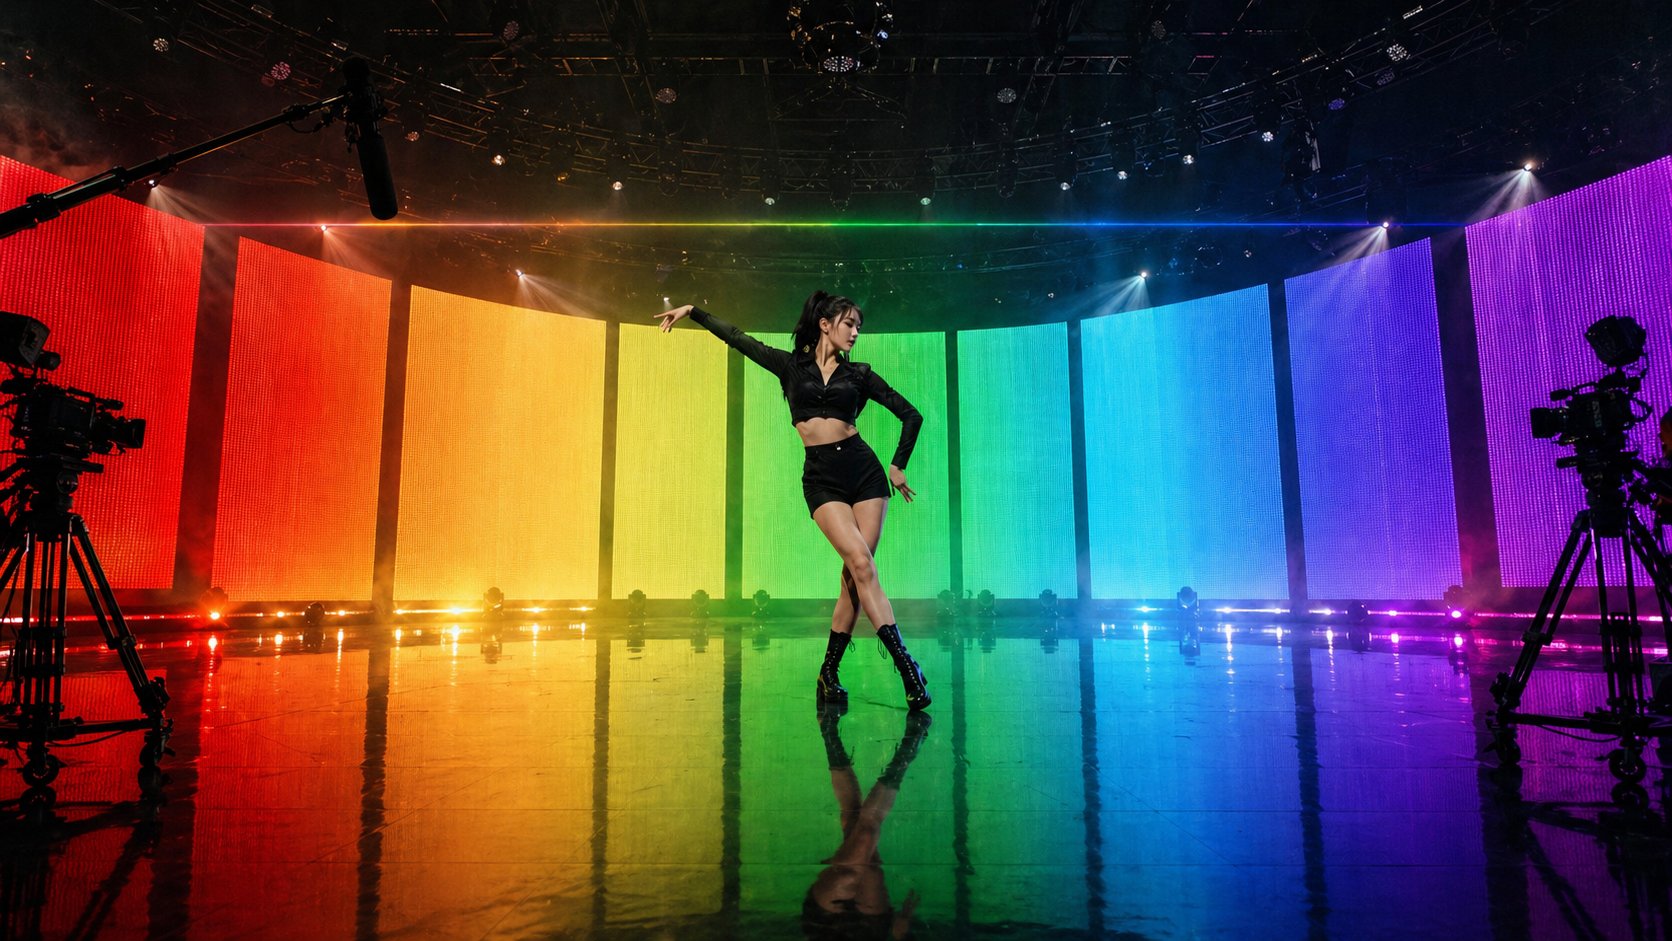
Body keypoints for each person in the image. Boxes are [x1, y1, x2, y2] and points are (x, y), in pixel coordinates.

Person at [656, 291, 930, 711]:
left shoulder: (859, 374)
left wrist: (897, 465)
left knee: (856, 577)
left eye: (859, 326)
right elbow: (738, 338)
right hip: (822, 478)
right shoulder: (789, 366)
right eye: (849, 324)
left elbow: (911, 414)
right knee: (860, 564)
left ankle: (830, 672)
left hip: (865, 474)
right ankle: (907, 667)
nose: (856, 332)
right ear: (825, 324)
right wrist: (693, 312)